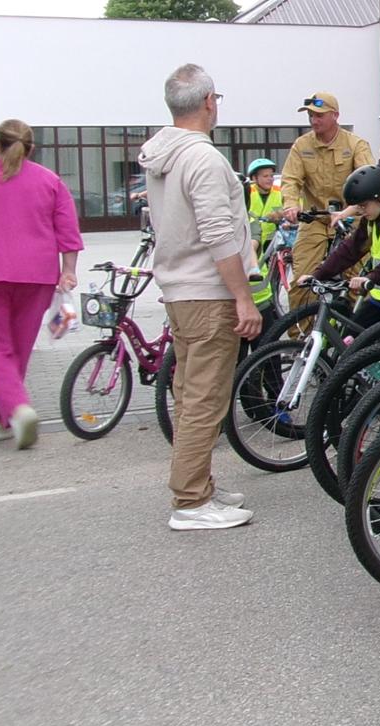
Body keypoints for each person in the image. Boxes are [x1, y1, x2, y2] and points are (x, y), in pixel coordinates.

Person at [140, 64, 262, 530]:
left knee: (189, 392)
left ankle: (198, 484)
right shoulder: (204, 159)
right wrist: (243, 299)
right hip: (208, 293)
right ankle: (191, 501)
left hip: (179, 289)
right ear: (210, 101)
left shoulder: (162, 155)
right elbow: (218, 234)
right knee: (205, 398)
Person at [0, 119, 80, 450]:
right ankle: (0, 419)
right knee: (19, 347)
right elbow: (67, 231)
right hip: (39, 275)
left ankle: (18, 408)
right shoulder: (49, 180)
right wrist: (68, 269)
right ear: (31, 148)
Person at [279, 91, 373, 311]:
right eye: (311, 115)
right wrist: (291, 205)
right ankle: (301, 337)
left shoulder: (355, 144)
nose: (314, 120)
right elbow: (290, 179)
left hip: (351, 220)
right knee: (303, 280)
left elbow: (367, 179)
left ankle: (355, 334)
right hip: (316, 220)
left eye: (319, 115)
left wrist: (352, 211)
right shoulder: (302, 145)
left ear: (335, 116)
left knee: (357, 280)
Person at [301, 166, 380, 329]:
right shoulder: (372, 219)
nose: (361, 211)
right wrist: (317, 275)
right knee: (349, 339)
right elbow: (349, 250)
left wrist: (370, 278)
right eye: (358, 207)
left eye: (364, 205)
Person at [243, 157, 284, 325]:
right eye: (265, 176)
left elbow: (293, 209)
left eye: (271, 175)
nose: (269, 179)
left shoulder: (278, 193)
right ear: (254, 178)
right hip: (254, 243)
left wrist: (281, 215)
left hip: (272, 244)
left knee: (273, 279)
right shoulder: (247, 193)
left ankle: (272, 304)